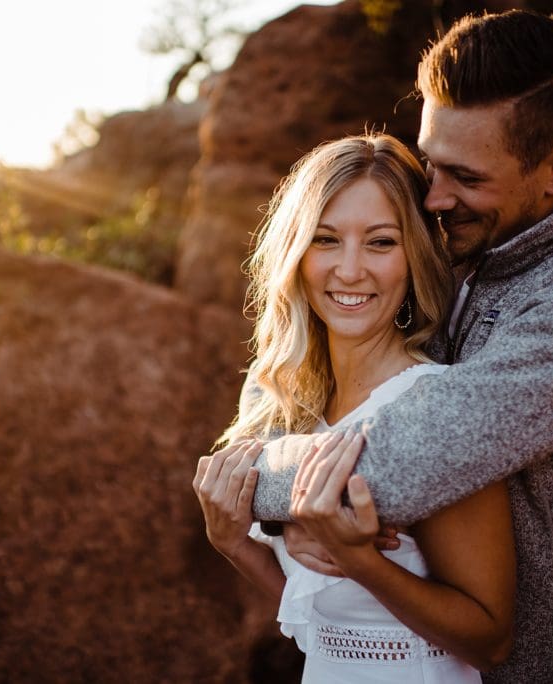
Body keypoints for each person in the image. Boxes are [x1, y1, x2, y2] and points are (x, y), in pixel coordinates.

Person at [244, 10, 553, 683]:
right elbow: (301, 369)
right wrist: (282, 503)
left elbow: (404, 462)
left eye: (467, 178)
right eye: (430, 165)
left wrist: (257, 490)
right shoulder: (445, 265)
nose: (436, 200)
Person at [193, 133, 516, 682]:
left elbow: (490, 640)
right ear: (295, 254)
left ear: (415, 257)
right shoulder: (291, 411)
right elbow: (325, 627)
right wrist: (231, 544)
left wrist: (359, 560)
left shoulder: (433, 407)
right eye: (326, 240)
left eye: (381, 242)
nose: (349, 270)